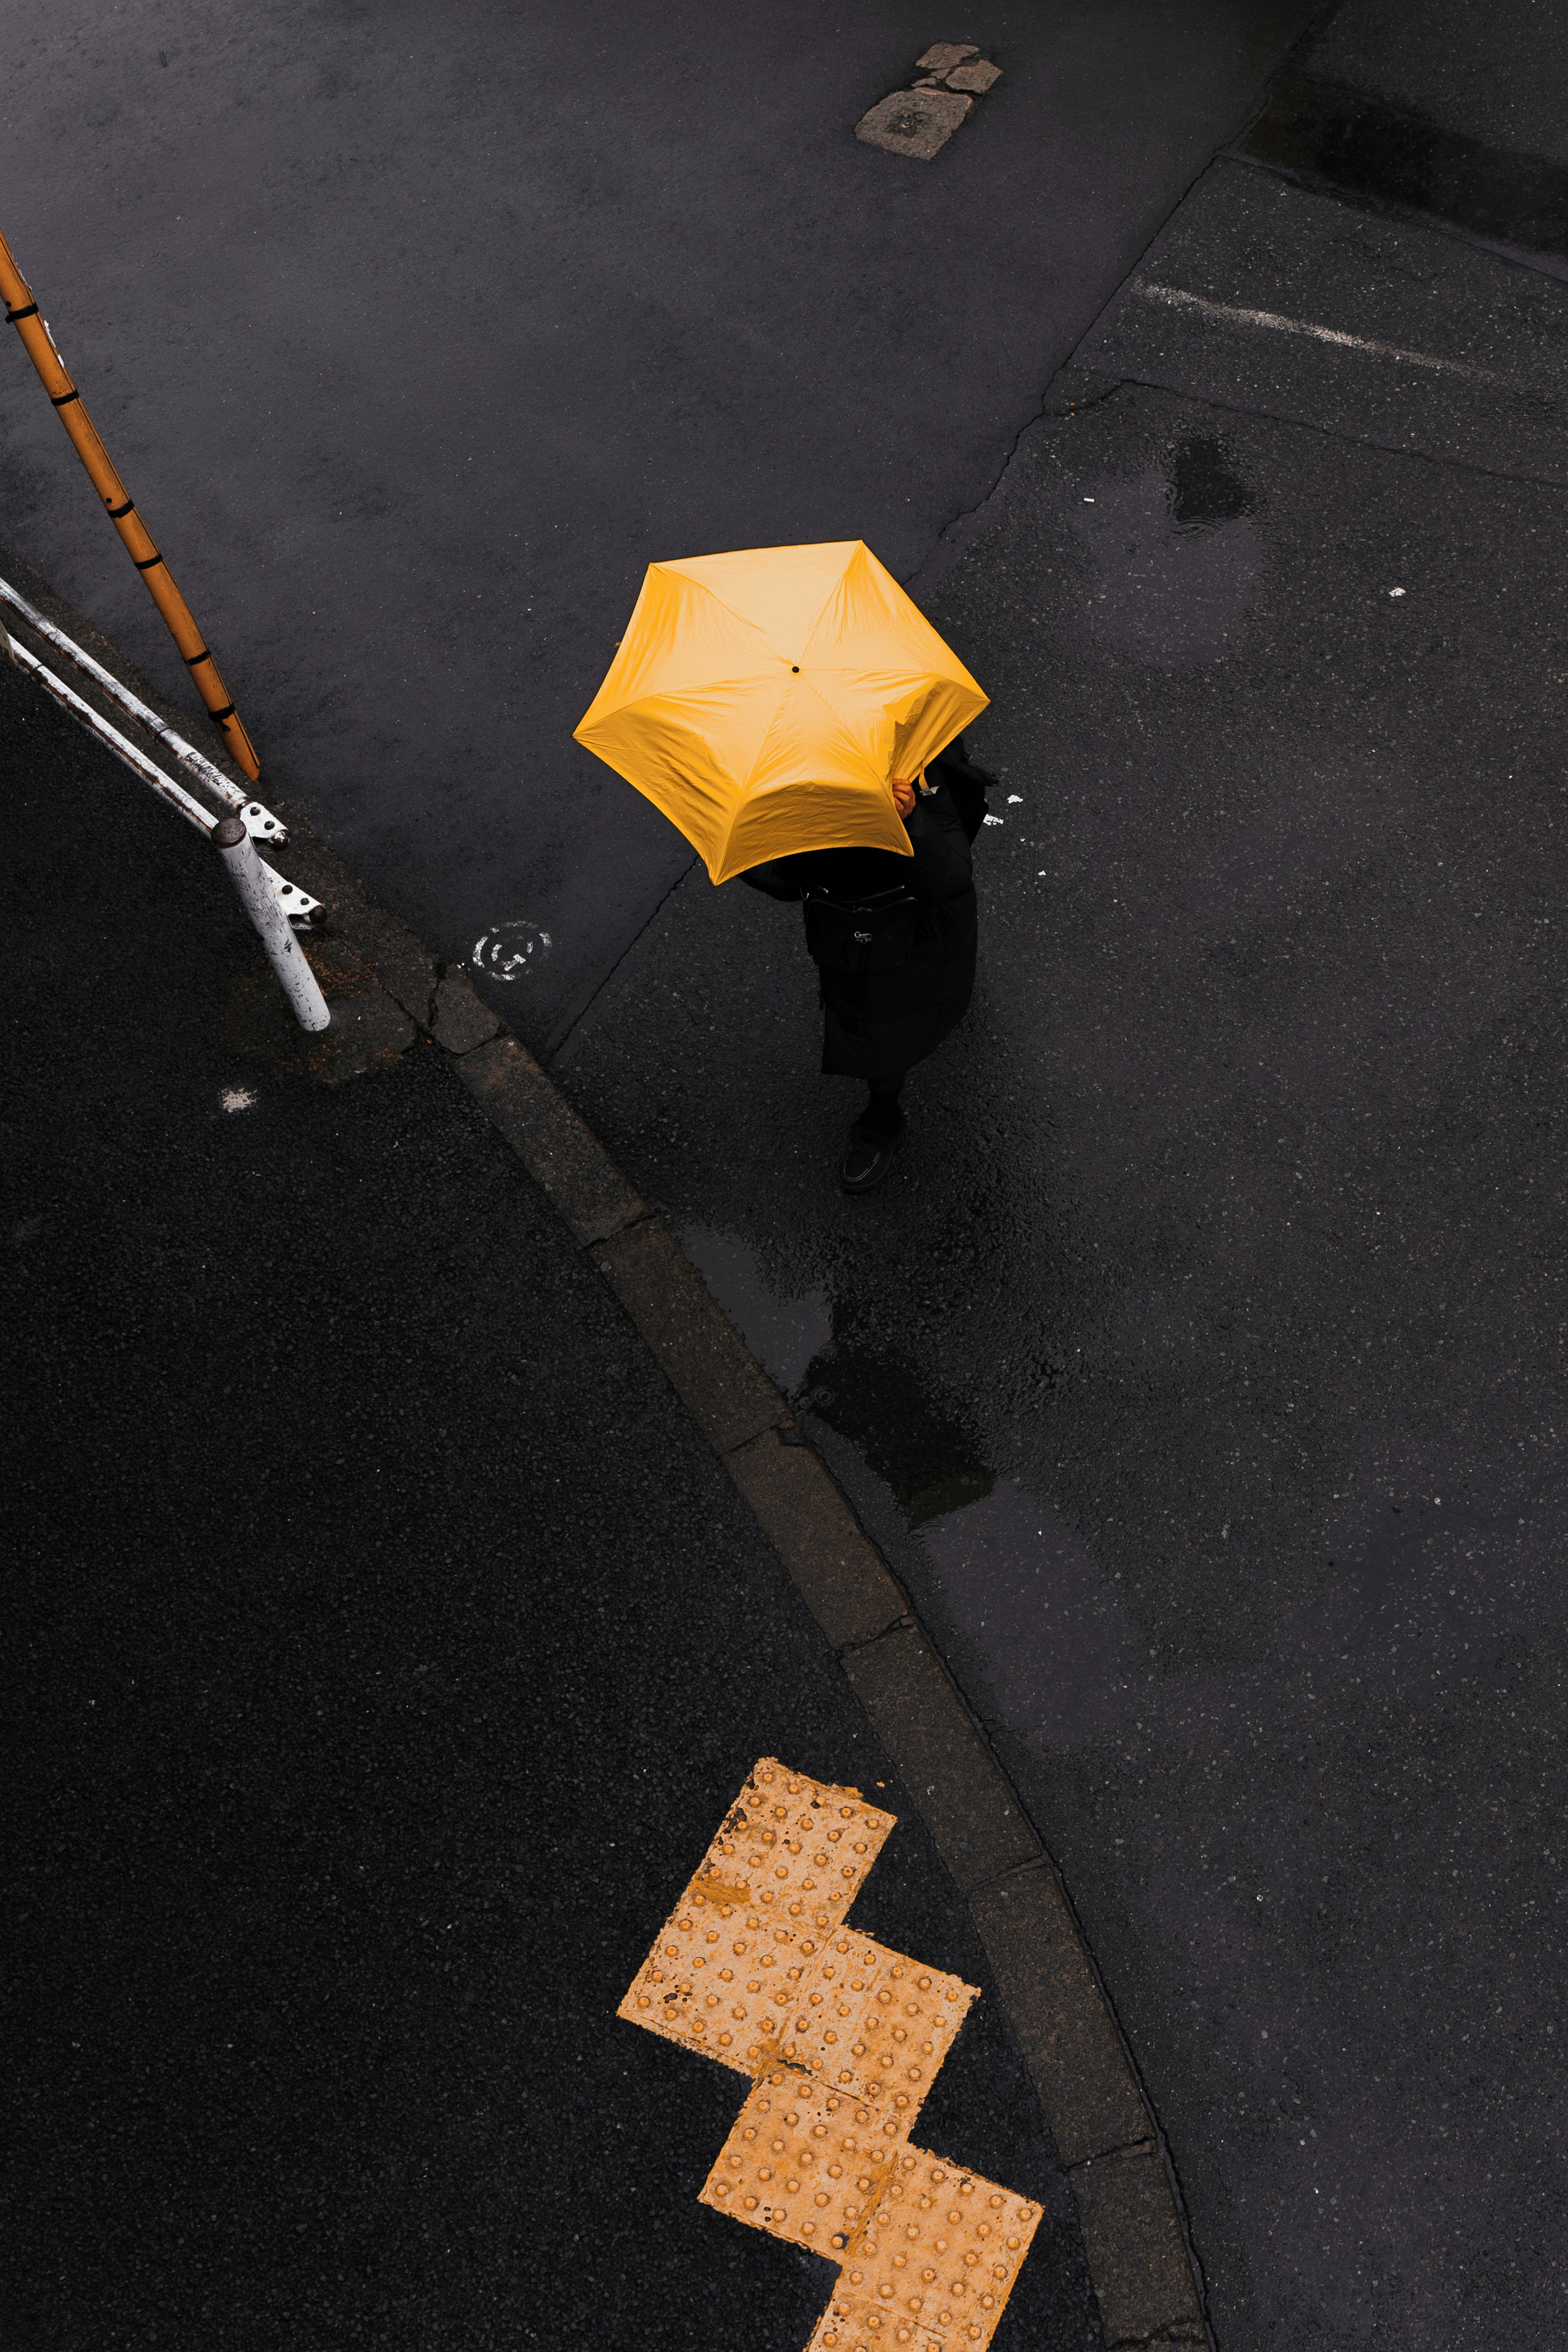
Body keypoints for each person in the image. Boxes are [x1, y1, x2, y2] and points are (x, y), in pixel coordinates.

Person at [739, 736, 991, 1192]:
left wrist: (912, 818)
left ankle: (882, 1121)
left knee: (889, 1030)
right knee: (876, 1024)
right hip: (856, 942)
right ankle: (883, 1114)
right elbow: (783, 879)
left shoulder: (916, 765)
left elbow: (952, 874)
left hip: (919, 936)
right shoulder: (791, 785)